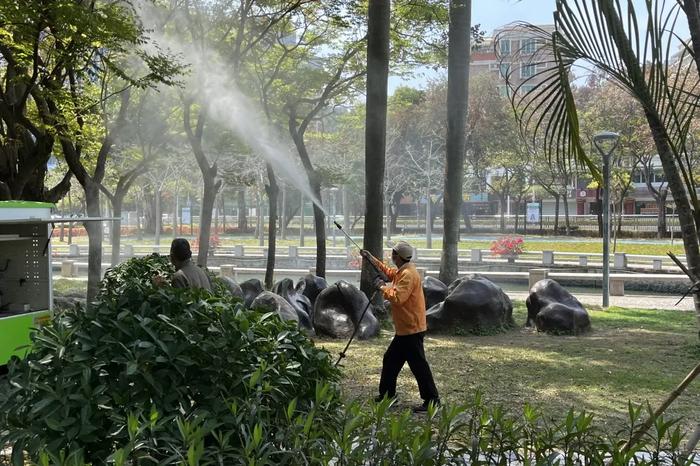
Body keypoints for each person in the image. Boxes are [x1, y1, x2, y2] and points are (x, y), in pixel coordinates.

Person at [361, 241, 440, 413]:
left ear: (398, 256)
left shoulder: (408, 275)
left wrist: (381, 286)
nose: (391, 255)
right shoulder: (403, 270)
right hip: (406, 329)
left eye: (393, 253)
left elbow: (398, 298)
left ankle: (432, 400)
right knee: (390, 360)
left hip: (412, 329)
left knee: (418, 366)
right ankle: (388, 396)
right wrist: (371, 259)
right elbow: (389, 273)